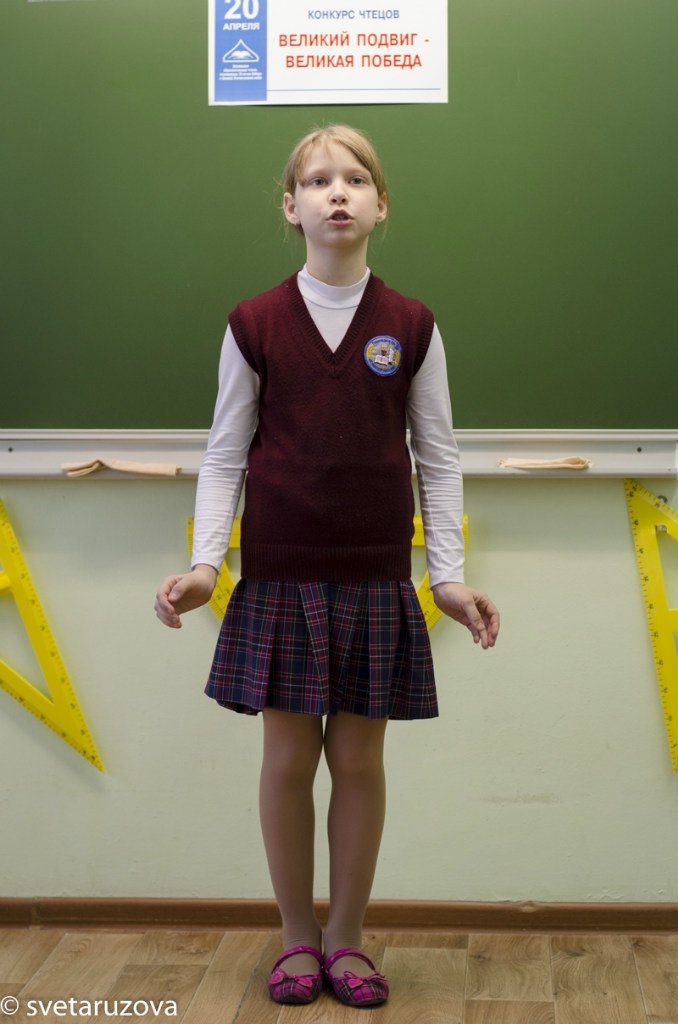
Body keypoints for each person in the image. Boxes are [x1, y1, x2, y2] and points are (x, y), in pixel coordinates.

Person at [155, 124, 499, 1008]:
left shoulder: (412, 325)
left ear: (381, 205)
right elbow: (224, 455)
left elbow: (439, 459)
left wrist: (446, 577)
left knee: (357, 761)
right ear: (290, 205)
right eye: (317, 180)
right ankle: (295, 941)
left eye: (354, 179)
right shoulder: (254, 323)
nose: (336, 192)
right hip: (278, 576)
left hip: (376, 578)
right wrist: (205, 565)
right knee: (285, 761)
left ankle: (346, 939)